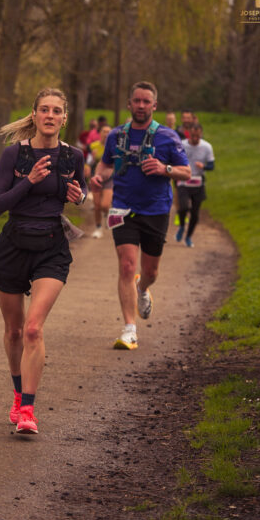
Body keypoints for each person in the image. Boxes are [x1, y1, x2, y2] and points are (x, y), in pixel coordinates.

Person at [0, 87, 87, 435]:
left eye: (56, 110)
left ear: (64, 118)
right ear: (34, 115)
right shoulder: (14, 155)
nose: (50, 115)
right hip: (13, 246)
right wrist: (28, 181)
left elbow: (80, 191)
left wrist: (80, 196)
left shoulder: (73, 156)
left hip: (51, 247)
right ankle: (18, 395)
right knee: (15, 331)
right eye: (44, 109)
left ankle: (28, 410)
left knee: (33, 328)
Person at [91, 81, 190, 350]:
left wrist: (164, 168)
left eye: (146, 102)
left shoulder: (168, 137)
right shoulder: (116, 136)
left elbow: (186, 172)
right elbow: (106, 164)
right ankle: (129, 330)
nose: (141, 105)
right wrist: (99, 177)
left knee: (150, 271)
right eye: (137, 101)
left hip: (156, 210)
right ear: (129, 104)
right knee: (126, 265)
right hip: (122, 208)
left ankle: (143, 288)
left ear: (154, 106)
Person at [176, 123, 215, 248]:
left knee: (195, 213)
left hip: (198, 182)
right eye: (193, 135)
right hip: (183, 180)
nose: (195, 138)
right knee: (183, 207)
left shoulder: (207, 147)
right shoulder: (182, 145)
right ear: (189, 134)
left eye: (197, 136)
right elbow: (174, 159)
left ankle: (188, 237)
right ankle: (182, 225)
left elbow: (212, 165)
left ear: (201, 134)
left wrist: (204, 166)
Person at [88, 124, 112, 238]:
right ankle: (98, 228)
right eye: (104, 131)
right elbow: (88, 163)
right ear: (100, 133)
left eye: (108, 132)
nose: (106, 134)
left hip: (109, 179)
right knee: (97, 206)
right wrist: (92, 159)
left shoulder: (115, 147)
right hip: (96, 178)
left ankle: (107, 214)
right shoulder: (93, 146)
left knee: (105, 205)